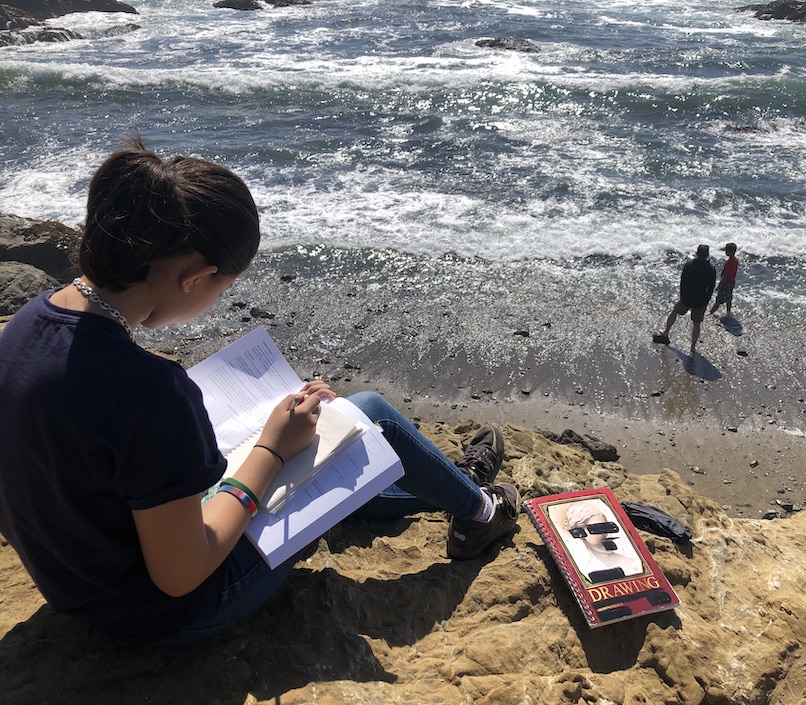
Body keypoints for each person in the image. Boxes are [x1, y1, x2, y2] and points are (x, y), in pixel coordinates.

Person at [0, 137, 519, 645]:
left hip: (82, 583)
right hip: (171, 610)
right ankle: (480, 513)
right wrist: (271, 450)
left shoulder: (24, 326)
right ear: (195, 276)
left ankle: (445, 483)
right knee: (369, 416)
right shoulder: (149, 391)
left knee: (321, 450)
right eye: (224, 286)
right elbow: (182, 574)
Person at [552, 499, 645, 582]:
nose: (607, 534)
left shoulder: (630, 562)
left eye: (609, 527)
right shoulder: (584, 567)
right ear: (578, 532)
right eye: (598, 529)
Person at [653, 244, 717, 356]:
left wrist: (682, 295)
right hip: (701, 299)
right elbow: (711, 287)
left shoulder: (690, 264)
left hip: (687, 297)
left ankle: (666, 332)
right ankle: (692, 347)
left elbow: (683, 281)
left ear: (697, 253)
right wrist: (707, 299)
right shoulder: (711, 268)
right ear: (707, 255)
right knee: (696, 323)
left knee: (674, 312)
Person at [709, 242, 739, 316]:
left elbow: (725, 276)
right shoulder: (736, 259)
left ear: (729, 252)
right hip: (732, 282)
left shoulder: (729, 262)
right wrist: (722, 249)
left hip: (726, 283)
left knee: (718, 300)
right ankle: (728, 312)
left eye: (726, 251)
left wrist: (719, 286)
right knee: (729, 298)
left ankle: (710, 313)